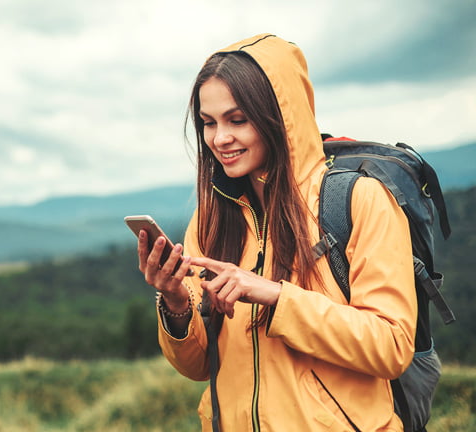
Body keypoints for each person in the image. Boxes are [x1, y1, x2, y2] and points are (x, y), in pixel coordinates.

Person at [136, 34, 417, 431]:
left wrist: (276, 297)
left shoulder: (359, 200)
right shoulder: (210, 218)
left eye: (237, 120)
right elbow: (199, 367)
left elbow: (391, 346)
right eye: (208, 123)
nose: (219, 139)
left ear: (279, 117)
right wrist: (176, 300)